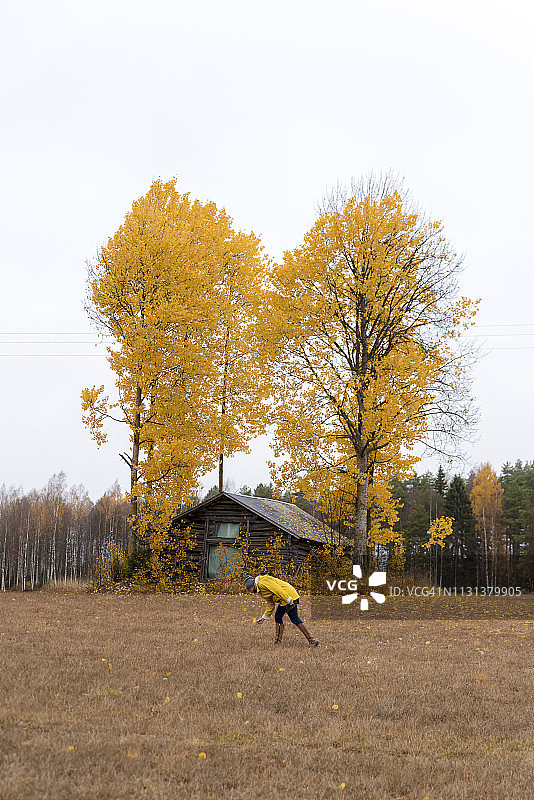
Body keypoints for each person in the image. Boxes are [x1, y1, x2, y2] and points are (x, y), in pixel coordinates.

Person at [245, 574, 319, 646]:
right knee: (278, 617)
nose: (250, 591)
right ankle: (278, 641)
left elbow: (277, 589)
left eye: (250, 589)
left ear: (253, 585)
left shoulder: (262, 583)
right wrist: (264, 617)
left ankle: (312, 640)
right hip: (284, 599)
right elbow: (270, 603)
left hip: (289, 596)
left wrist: (288, 599)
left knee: (294, 618)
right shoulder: (260, 591)